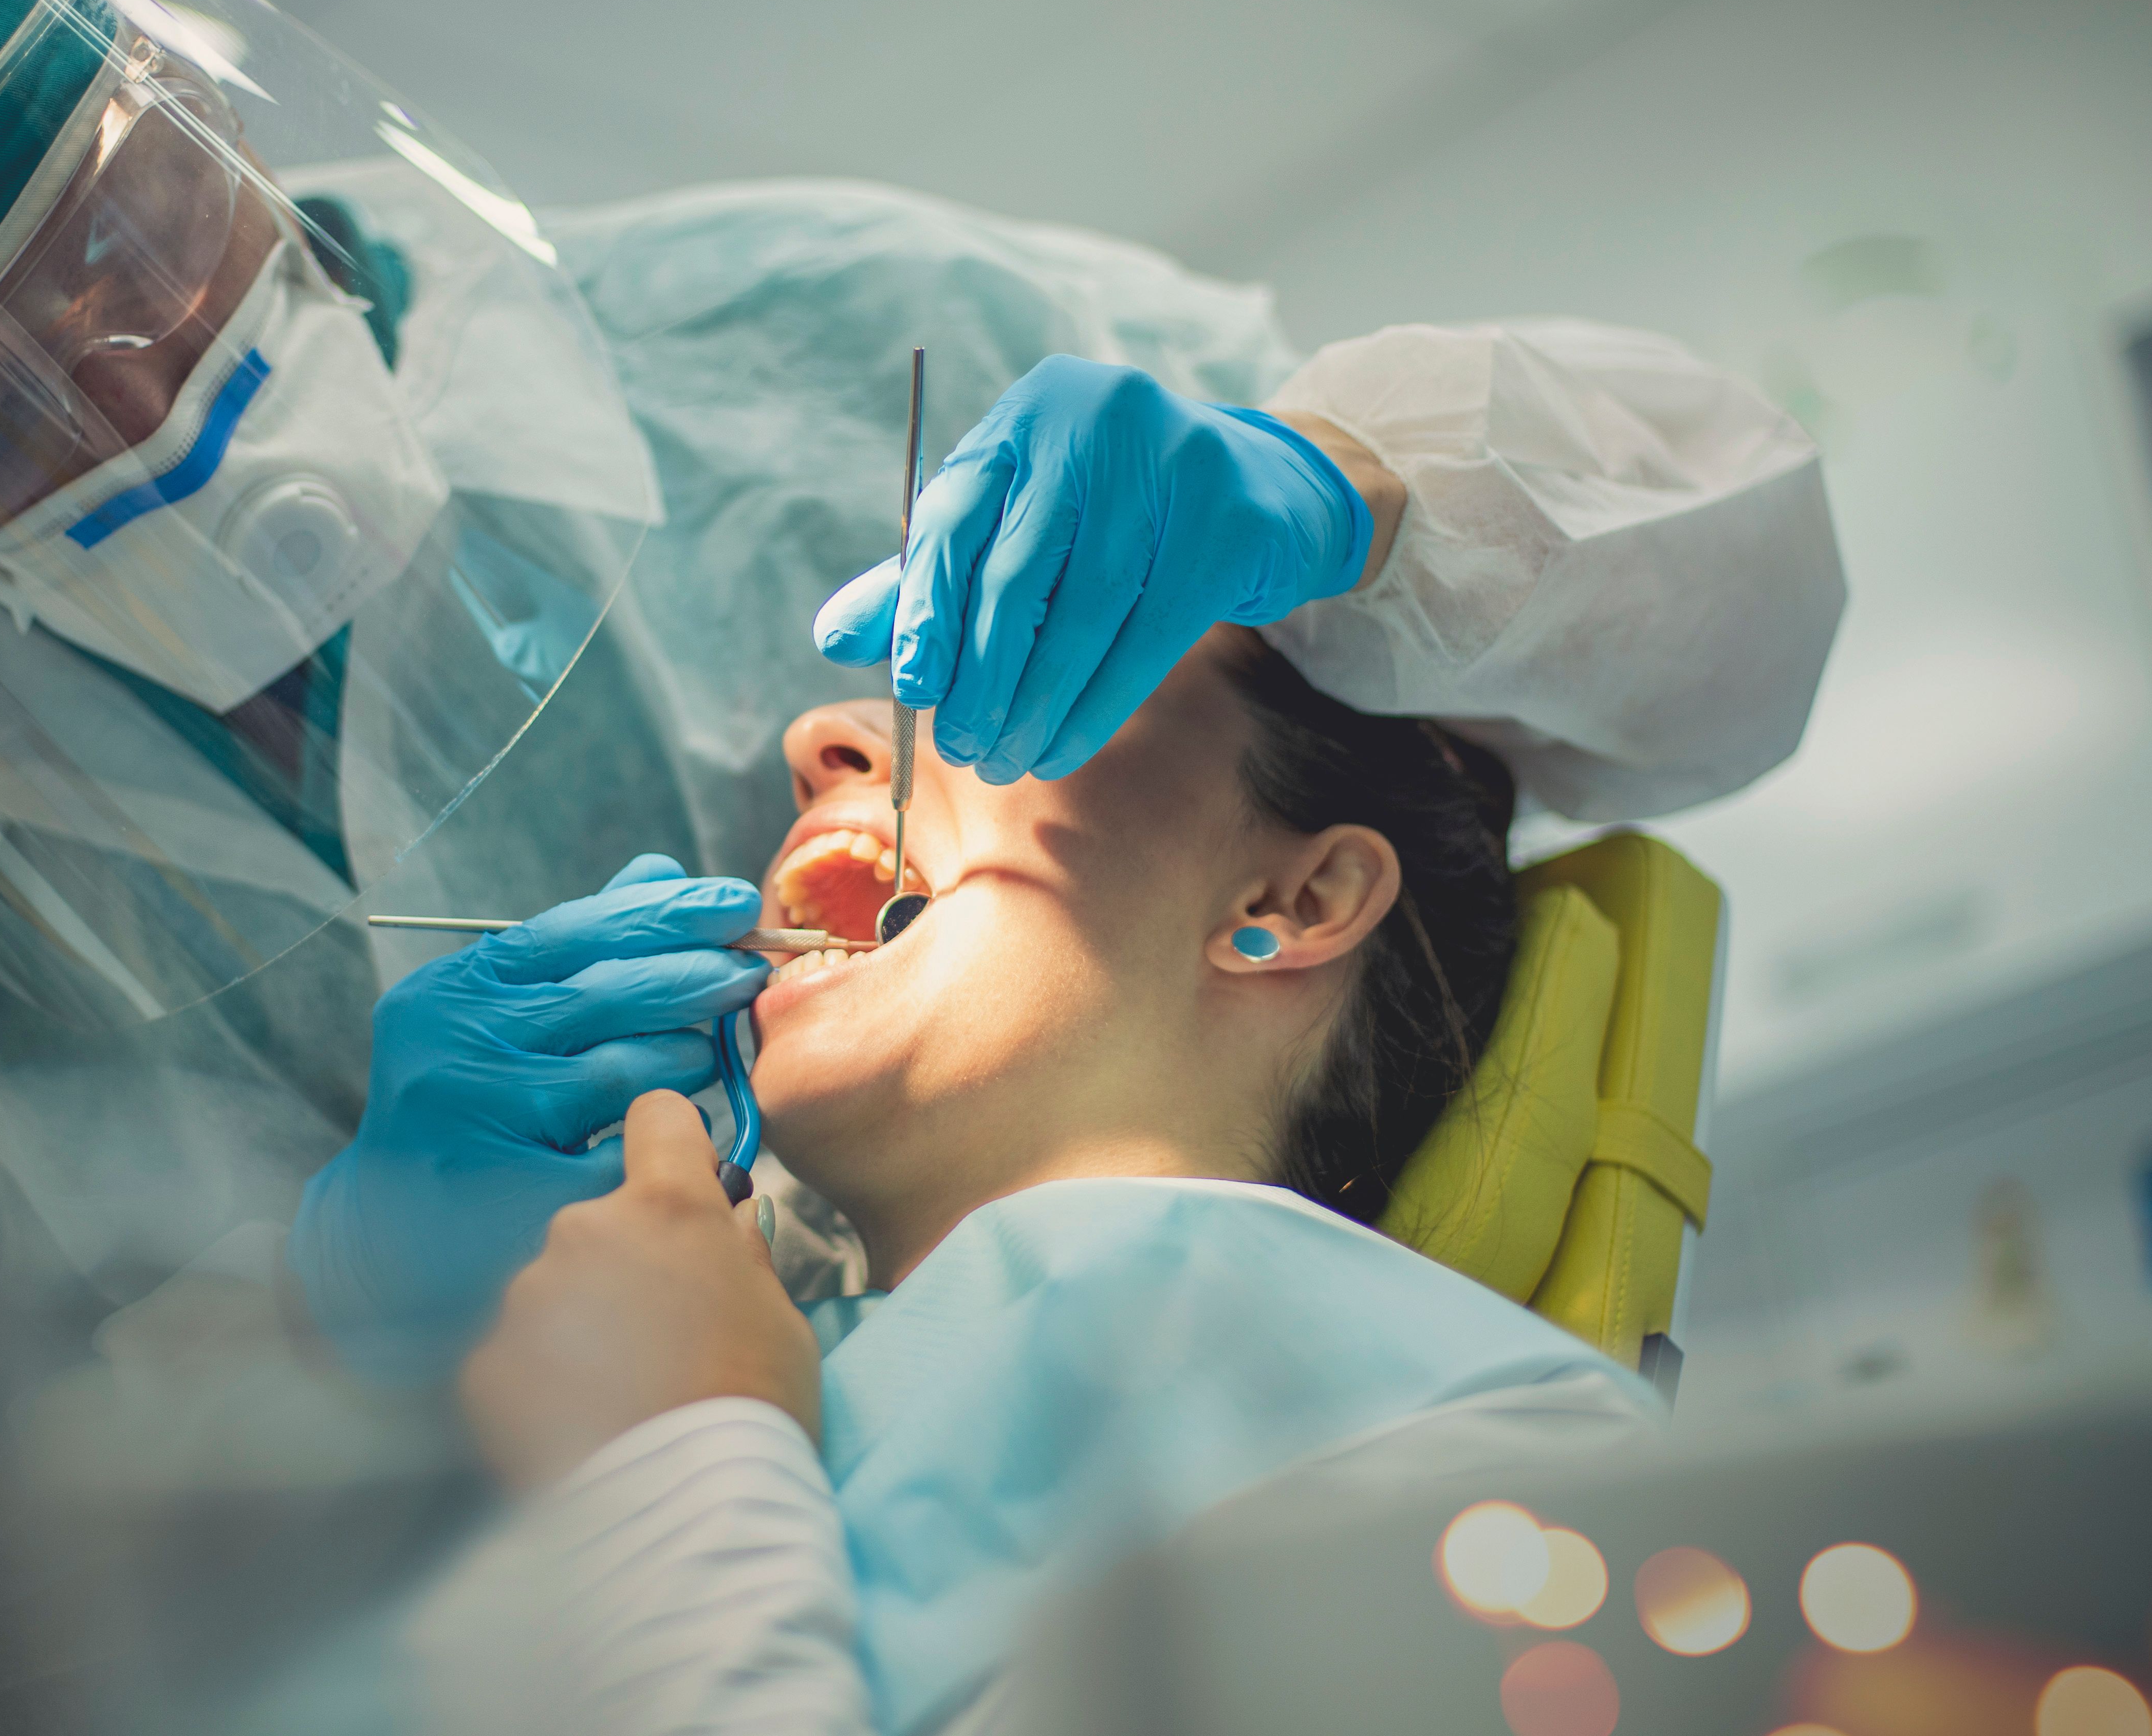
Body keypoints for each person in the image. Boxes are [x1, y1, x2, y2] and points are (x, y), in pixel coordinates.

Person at [0, 0, 1841, 1725]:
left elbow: (1714, 593)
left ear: (164, 74)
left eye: (100, 242)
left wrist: (1334, 495)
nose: (92, 391)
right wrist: (311, 1325)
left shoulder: (790, 341)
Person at [405, 633, 1661, 1733]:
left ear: (1293, 899)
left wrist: (662, 1485)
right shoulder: (725, 1355)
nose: (815, 741)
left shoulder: (1504, 1468)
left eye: (1027, 670)